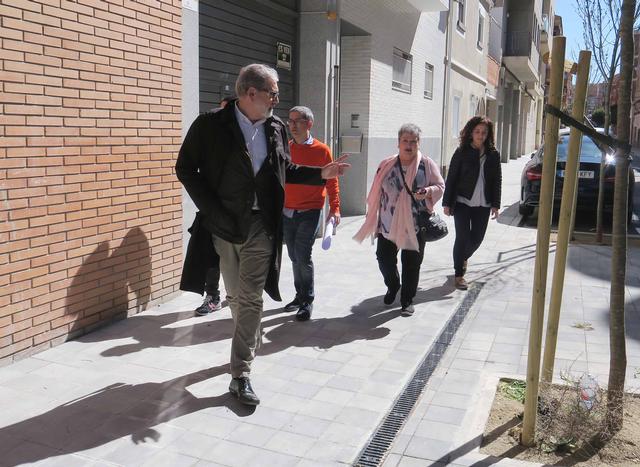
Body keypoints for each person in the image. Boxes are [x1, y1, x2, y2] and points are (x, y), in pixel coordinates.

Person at [175, 64, 349, 406]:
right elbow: (185, 168)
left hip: (261, 225)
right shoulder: (210, 125)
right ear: (251, 93)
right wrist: (211, 209)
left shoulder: (275, 127)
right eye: (273, 93)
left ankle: (240, 374)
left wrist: (321, 173)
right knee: (235, 296)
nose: (277, 100)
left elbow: (286, 168)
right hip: (224, 225)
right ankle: (250, 332)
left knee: (252, 296)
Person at [354, 124, 444, 315]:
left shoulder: (426, 164)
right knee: (384, 259)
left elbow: (440, 186)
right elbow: (377, 191)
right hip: (388, 222)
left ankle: (407, 301)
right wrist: (373, 216)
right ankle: (393, 285)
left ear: (419, 143)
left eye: (413, 141)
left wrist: (428, 191)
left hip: (414, 224)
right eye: (405, 141)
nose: (409, 145)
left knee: (411, 264)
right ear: (398, 143)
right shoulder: (386, 164)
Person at [282, 106, 340, 321]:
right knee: (293, 256)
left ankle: (307, 300)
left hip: (311, 210)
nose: (292, 125)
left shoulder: (322, 150)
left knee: (303, 255)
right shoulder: (285, 149)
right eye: (290, 121)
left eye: (297, 121)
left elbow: (332, 181)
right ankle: (299, 296)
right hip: (287, 212)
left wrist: (335, 208)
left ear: (309, 124)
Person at [442, 116, 502, 291]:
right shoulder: (462, 152)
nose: (480, 135)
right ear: (470, 133)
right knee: (462, 237)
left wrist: (496, 204)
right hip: (462, 201)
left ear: (488, 134)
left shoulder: (493, 154)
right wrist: (447, 203)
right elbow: (451, 177)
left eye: (484, 132)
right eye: (477, 132)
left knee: (477, 238)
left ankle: (461, 258)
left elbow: (497, 180)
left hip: (483, 203)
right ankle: (459, 275)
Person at [193, 95, 236, 316]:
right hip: (212, 213)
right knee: (211, 258)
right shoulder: (209, 139)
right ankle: (213, 297)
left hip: (237, 216)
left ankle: (237, 296)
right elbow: (189, 169)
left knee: (236, 261)